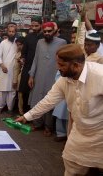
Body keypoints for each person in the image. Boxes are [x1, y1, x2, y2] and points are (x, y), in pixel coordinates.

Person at [16, 44, 103, 175]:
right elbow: (48, 101)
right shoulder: (64, 80)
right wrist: (27, 117)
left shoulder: (99, 75)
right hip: (79, 133)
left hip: (100, 134)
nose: (58, 68)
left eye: (62, 65)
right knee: (71, 163)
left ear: (76, 65)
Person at [28, 22, 66, 136]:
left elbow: (64, 60)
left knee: (50, 100)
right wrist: (31, 75)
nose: (47, 33)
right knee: (37, 99)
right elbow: (35, 59)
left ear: (54, 31)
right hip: (39, 76)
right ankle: (37, 123)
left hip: (53, 76)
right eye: (45, 31)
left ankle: (48, 126)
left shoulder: (62, 42)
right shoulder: (40, 42)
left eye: (49, 31)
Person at [18, 16, 43, 114]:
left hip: (40, 68)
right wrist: (22, 58)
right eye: (32, 25)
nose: (34, 28)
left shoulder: (44, 37)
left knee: (37, 92)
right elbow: (24, 52)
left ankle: (35, 115)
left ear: (41, 25)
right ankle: (25, 114)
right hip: (28, 67)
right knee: (25, 91)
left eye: (36, 26)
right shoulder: (28, 36)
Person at [0, 26, 18, 115]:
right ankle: (0, 107)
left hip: (14, 70)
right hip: (4, 69)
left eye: (13, 31)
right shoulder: (3, 43)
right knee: (2, 90)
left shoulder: (18, 42)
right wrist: (2, 65)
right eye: (9, 31)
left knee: (12, 91)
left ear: (15, 32)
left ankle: (10, 108)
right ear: (7, 32)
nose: (11, 33)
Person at [13, 37, 25, 115]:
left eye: (20, 45)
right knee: (20, 95)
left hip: (30, 77)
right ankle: (21, 113)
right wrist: (15, 81)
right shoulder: (18, 55)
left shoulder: (31, 52)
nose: (19, 47)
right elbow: (16, 69)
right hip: (21, 77)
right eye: (17, 45)